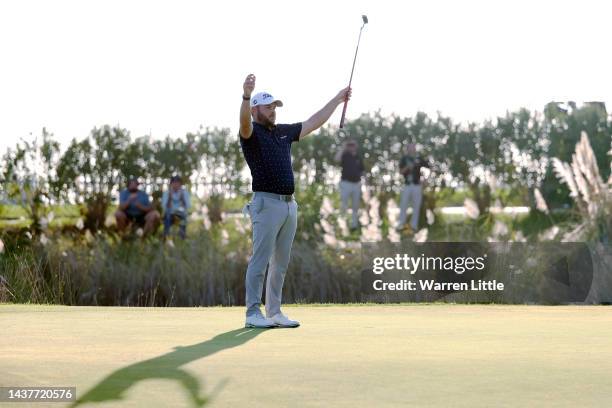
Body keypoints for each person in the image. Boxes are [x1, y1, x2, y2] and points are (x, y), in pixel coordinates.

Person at [239, 73, 351, 328]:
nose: (273, 111)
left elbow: (313, 122)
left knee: (280, 263)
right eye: (268, 107)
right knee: (260, 259)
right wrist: (246, 96)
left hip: (289, 205)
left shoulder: (283, 133)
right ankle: (252, 313)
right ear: (256, 110)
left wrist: (337, 98)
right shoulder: (251, 134)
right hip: (265, 204)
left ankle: (275, 312)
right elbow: (244, 123)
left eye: (274, 107)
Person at [397, 143, 429, 232]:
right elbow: (400, 171)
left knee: (416, 206)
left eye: (414, 147)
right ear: (407, 149)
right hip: (407, 185)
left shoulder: (419, 158)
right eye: (410, 147)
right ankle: (401, 225)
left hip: (417, 185)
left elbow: (428, 168)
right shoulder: (404, 159)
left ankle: (413, 226)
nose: (412, 149)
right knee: (403, 205)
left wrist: (425, 179)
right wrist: (407, 167)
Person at [335, 139, 364, 230]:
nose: (351, 146)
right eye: (349, 145)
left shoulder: (358, 157)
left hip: (357, 184)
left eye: (353, 145)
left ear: (356, 146)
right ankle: (342, 226)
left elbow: (362, 170)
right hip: (346, 183)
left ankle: (353, 226)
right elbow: (336, 159)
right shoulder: (344, 155)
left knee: (355, 206)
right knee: (344, 205)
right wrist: (343, 148)